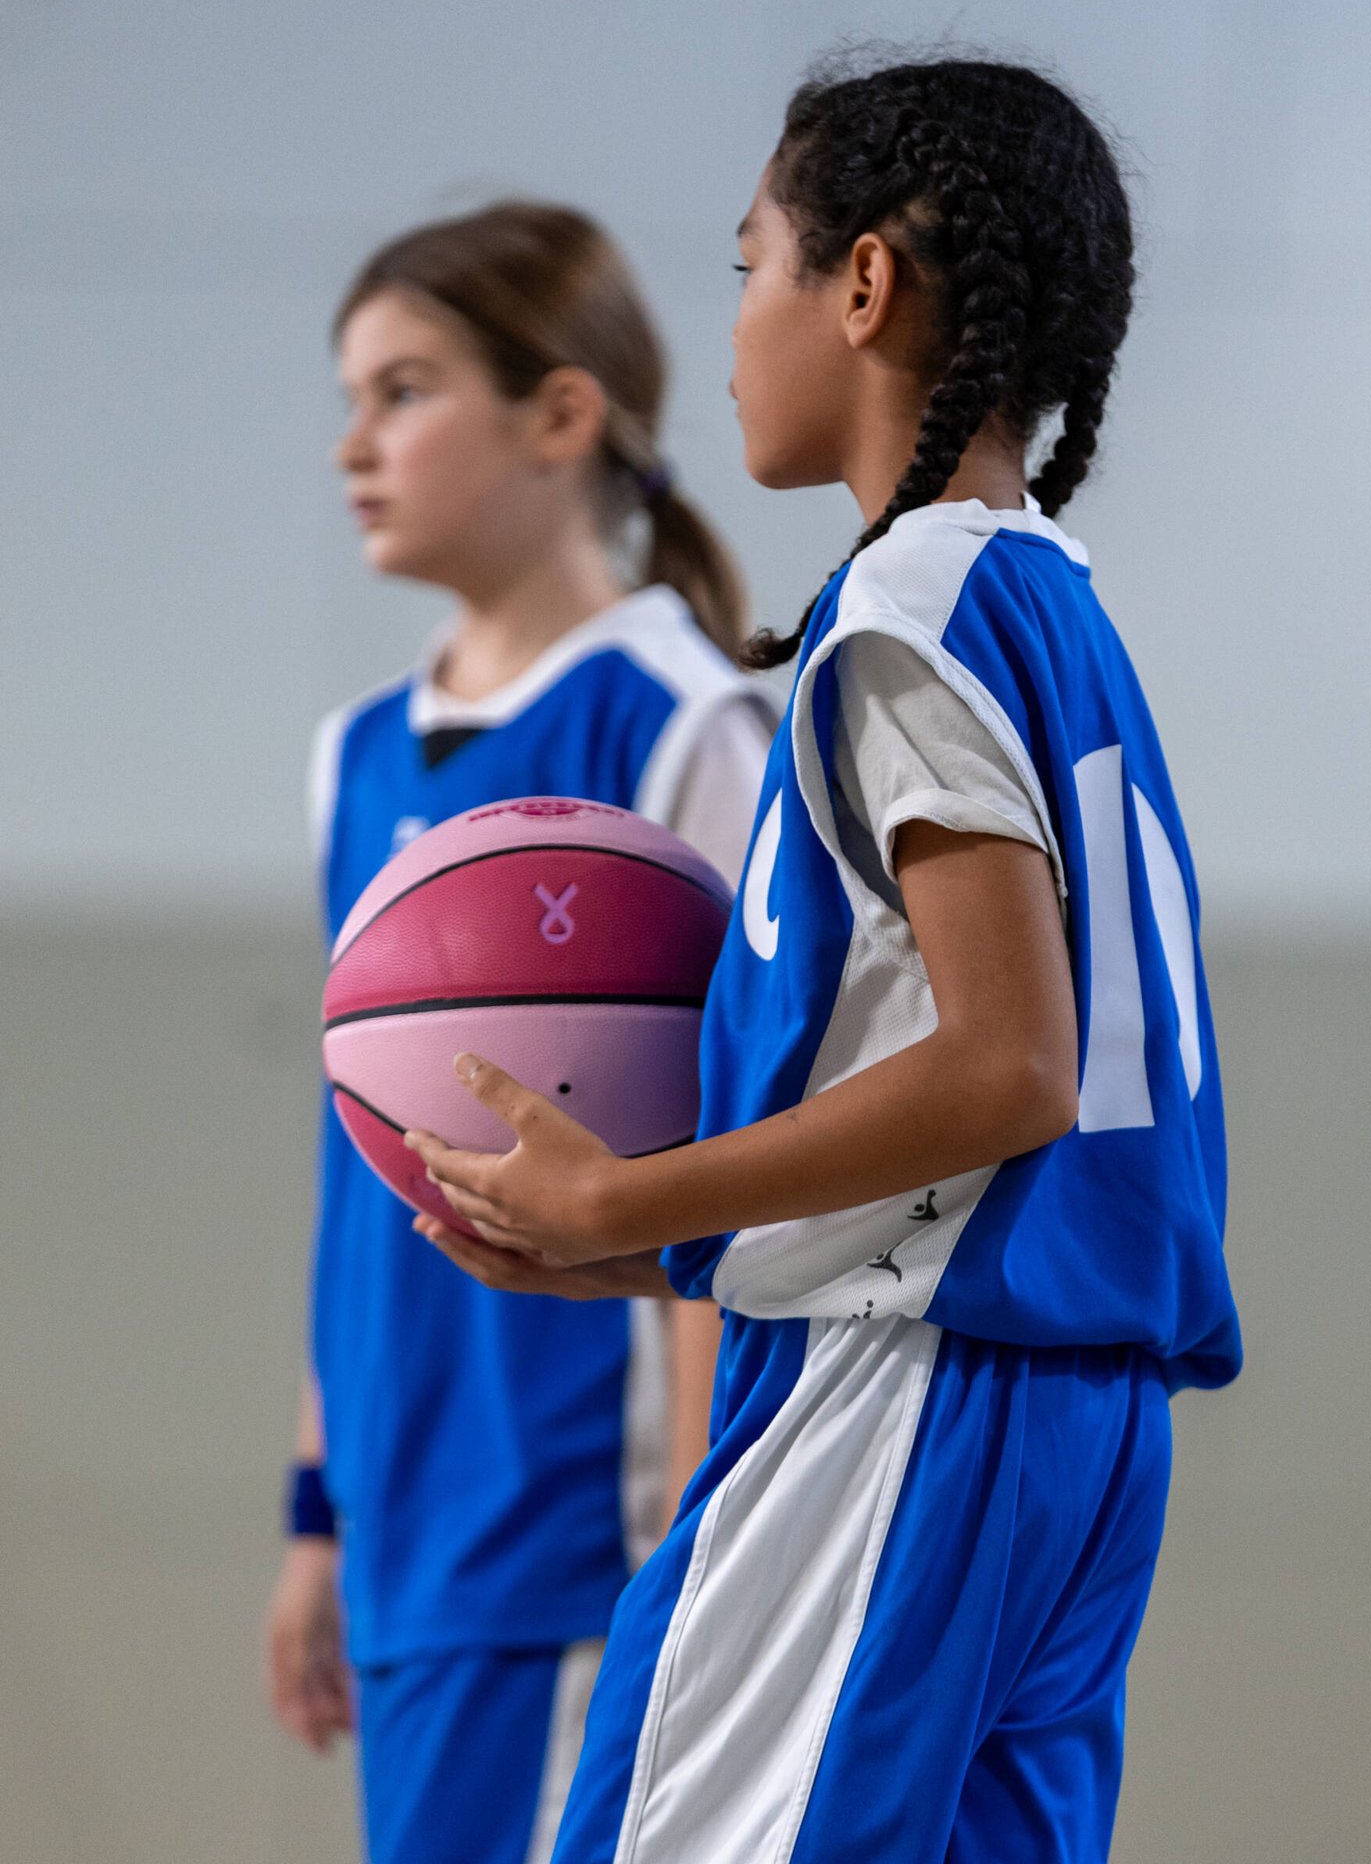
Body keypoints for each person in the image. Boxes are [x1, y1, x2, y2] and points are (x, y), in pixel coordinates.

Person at [409, 57, 1243, 1863]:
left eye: (748, 267)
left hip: (906, 1398)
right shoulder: (1051, 602)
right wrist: (664, 1248)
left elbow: (1006, 1069)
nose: (730, 331)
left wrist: (632, 1196)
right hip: (1081, 1424)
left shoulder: (904, 612)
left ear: (862, 285)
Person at [262, 202, 773, 1864]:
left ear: (559, 415)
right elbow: (355, 1168)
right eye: (350, 397)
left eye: (404, 391)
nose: (353, 443)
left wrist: (704, 1532)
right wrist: (318, 1514)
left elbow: (740, 1169)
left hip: (578, 1524)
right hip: (404, 1518)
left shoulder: (684, 723)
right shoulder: (354, 754)